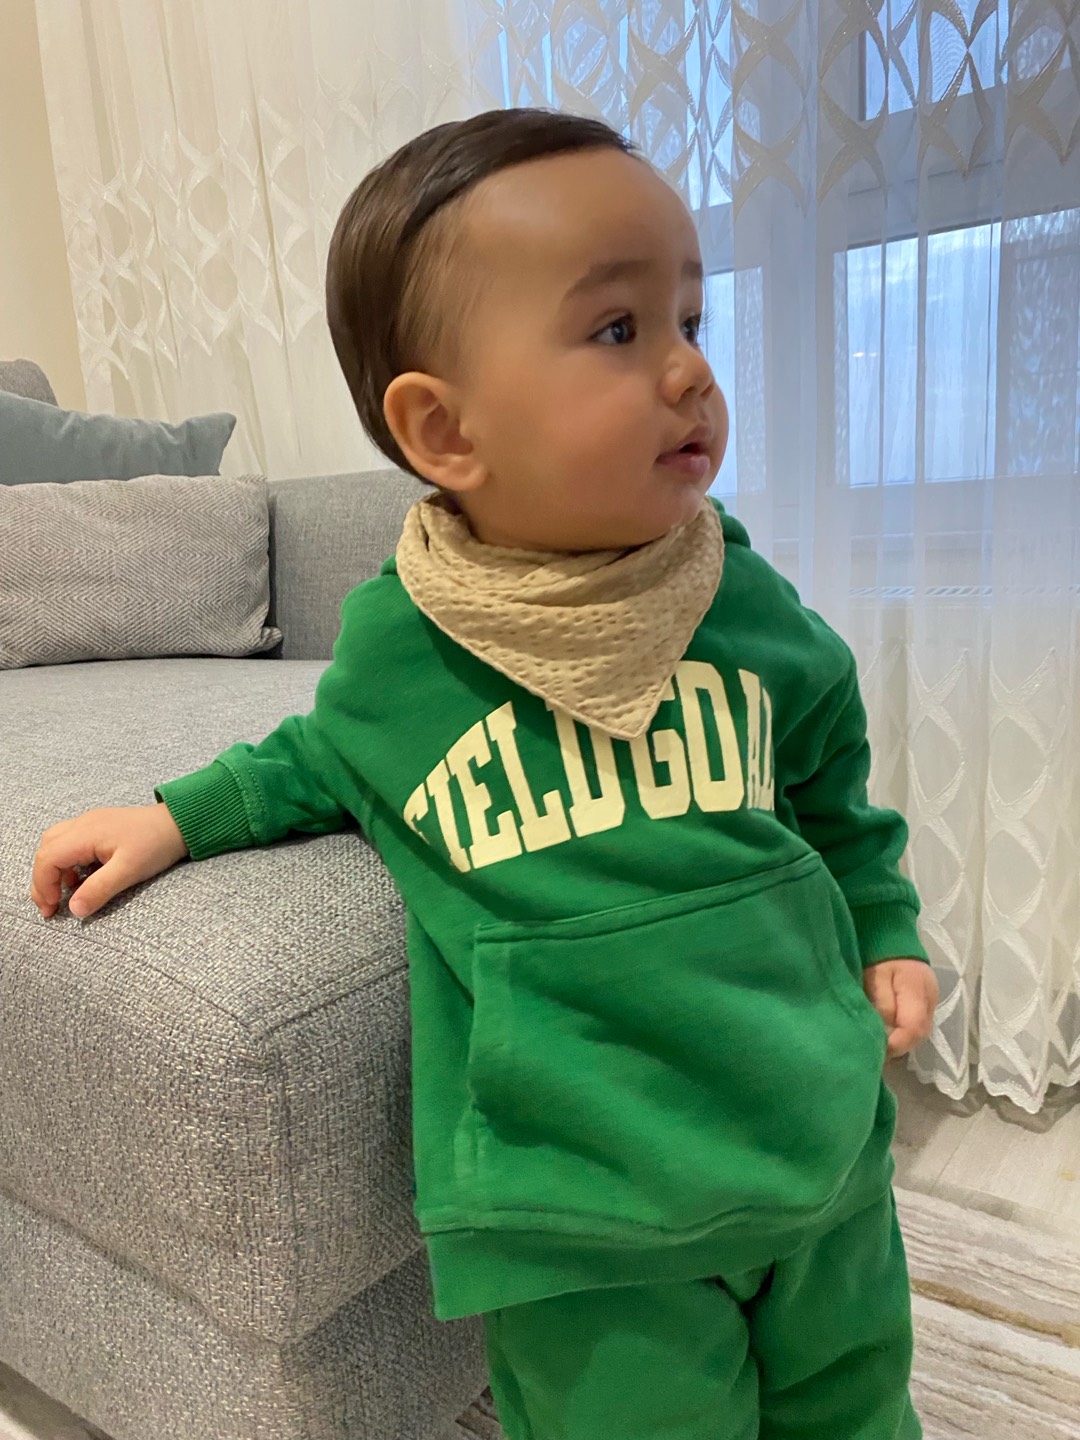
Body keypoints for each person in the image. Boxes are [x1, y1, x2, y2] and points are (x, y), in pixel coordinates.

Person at [31, 107, 939, 1439]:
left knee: (858, 1407)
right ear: (445, 430)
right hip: (582, 1211)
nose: (690, 369)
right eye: (619, 328)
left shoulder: (735, 592)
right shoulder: (404, 647)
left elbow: (830, 780)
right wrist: (175, 818)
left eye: (692, 319)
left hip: (820, 1143)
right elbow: (316, 756)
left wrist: (886, 923)